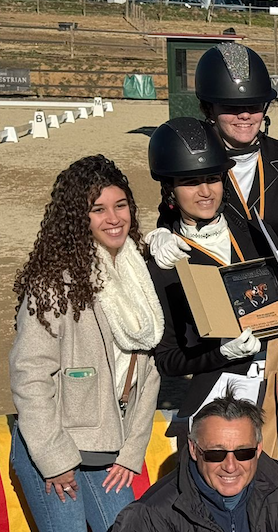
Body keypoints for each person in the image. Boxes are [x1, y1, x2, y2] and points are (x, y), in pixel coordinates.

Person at [9, 155, 163, 532]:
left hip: (109, 449)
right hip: (53, 446)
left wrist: (131, 452)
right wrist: (54, 458)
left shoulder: (138, 275)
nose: (114, 218)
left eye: (121, 205)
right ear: (80, 218)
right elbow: (31, 376)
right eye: (98, 210)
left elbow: (148, 374)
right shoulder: (53, 284)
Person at [145, 118, 278, 434]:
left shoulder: (256, 233)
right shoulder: (165, 263)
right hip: (220, 408)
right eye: (189, 182)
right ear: (169, 190)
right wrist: (219, 353)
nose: (204, 192)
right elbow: (168, 360)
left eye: (212, 178)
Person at [144, 43, 278, 301]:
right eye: (231, 107)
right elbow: (173, 207)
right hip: (215, 296)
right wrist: (162, 232)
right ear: (208, 109)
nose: (245, 115)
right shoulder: (189, 157)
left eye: (254, 105)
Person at [111, 392, 278, 531]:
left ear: (258, 449)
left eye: (243, 453)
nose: (231, 466)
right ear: (194, 449)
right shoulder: (151, 515)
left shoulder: (276, 482)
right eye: (216, 454)